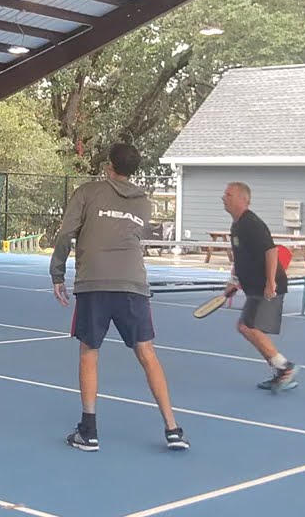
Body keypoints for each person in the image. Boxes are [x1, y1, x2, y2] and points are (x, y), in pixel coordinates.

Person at [50, 143, 188, 453]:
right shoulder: (144, 204)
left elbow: (65, 233)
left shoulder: (88, 192)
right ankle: (173, 428)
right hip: (132, 284)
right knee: (147, 352)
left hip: (94, 282)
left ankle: (89, 430)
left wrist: (57, 273)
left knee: (89, 351)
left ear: (109, 165)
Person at [221, 181, 298, 392]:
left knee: (248, 326)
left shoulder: (251, 223)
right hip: (254, 286)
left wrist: (270, 283)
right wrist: (233, 281)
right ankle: (282, 369)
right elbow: (241, 259)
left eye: (228, 194)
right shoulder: (236, 225)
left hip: (268, 285)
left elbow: (271, 251)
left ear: (242, 199)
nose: (223, 197)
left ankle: (285, 368)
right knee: (246, 326)